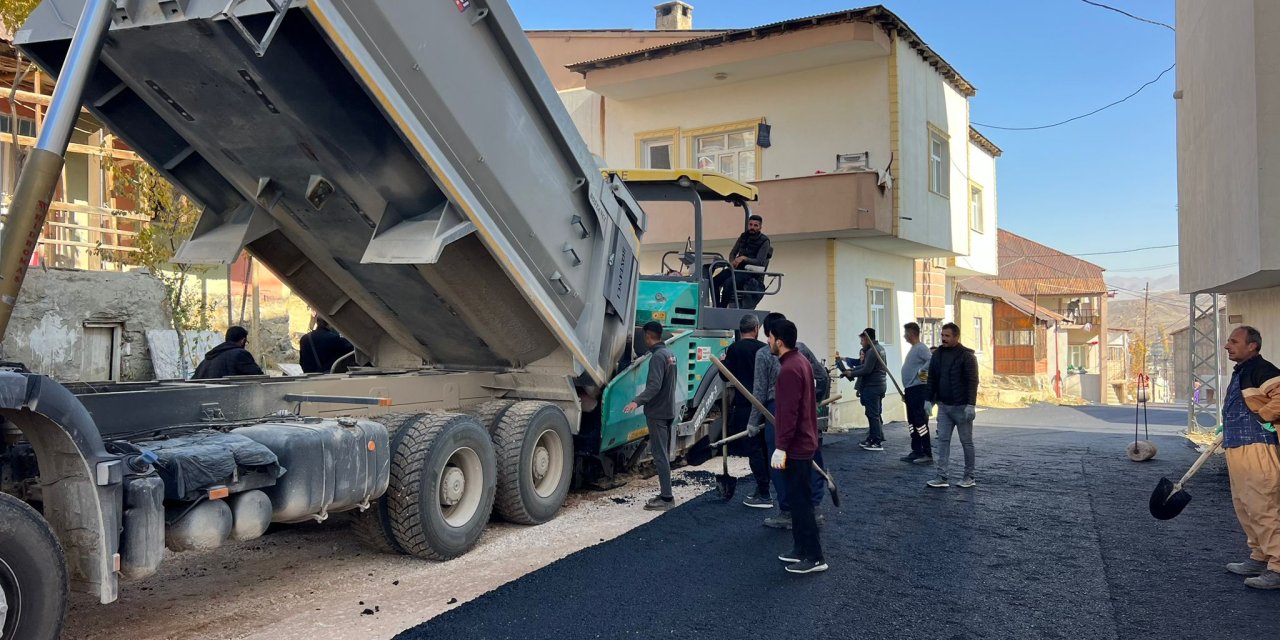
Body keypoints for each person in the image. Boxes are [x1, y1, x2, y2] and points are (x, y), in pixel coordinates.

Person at [747, 312, 829, 529]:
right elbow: (822, 375)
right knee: (810, 455)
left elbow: (759, 391)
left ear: (773, 336)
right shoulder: (802, 350)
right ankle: (814, 507)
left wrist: (753, 422)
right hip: (805, 407)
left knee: (779, 461)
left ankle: (787, 511)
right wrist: (815, 400)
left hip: (776, 411)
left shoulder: (764, 355)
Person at [1219, 325, 1280, 589]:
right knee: (1245, 505)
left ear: (1252, 346)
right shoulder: (1243, 371)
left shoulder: (1261, 369)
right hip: (1237, 446)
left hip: (1258, 446)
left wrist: (1263, 417)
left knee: (1263, 506)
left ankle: (1278, 567)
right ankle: (1259, 556)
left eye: (1234, 341)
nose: (1227, 346)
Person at [769, 319, 827, 574]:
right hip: (802, 442)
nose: (768, 341)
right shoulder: (800, 362)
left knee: (802, 503)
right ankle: (800, 548)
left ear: (779, 341)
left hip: (796, 446)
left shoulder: (789, 370)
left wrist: (781, 446)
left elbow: (789, 413)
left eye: (770, 337)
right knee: (797, 499)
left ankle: (815, 557)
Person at [624, 321, 678, 512]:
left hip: (657, 413)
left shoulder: (657, 357)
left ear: (648, 336)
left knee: (660, 455)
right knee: (663, 454)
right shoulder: (670, 354)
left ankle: (667, 498)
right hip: (668, 410)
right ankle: (665, 494)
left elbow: (654, 386)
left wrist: (636, 401)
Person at [723, 313, 771, 508]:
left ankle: (764, 492)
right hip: (765, 406)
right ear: (756, 328)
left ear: (740, 329)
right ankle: (766, 486)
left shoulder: (734, 349)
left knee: (753, 449)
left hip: (745, 406)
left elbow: (725, 376)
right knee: (766, 446)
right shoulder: (765, 349)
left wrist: (723, 362)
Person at [926, 323, 979, 489]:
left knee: (966, 442)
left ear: (956, 337)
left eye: (947, 336)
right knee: (942, 441)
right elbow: (932, 378)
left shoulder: (967, 356)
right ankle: (941, 476)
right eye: (942, 335)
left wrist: (971, 405)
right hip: (943, 406)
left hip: (962, 407)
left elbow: (972, 382)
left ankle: (969, 476)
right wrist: (929, 400)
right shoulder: (938, 354)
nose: (943, 339)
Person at [841, 328, 888, 451]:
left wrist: (851, 373)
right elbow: (865, 366)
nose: (861, 343)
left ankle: (876, 441)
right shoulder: (880, 349)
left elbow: (867, 370)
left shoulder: (872, 351)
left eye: (862, 340)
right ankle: (872, 437)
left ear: (867, 339)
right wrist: (852, 370)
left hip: (873, 386)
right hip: (879, 385)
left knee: (873, 415)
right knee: (873, 413)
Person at [711, 214, 771, 308]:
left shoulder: (765, 241)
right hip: (737, 268)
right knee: (714, 280)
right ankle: (716, 305)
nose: (752, 227)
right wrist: (732, 262)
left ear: (760, 227)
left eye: (755, 225)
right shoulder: (743, 236)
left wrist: (744, 258)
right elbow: (733, 253)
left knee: (729, 282)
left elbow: (760, 261)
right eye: (750, 224)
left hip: (750, 272)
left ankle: (722, 307)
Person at [901, 322, 934, 463]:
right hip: (910, 390)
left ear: (911, 333)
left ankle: (926, 453)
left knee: (920, 421)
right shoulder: (914, 349)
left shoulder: (921, 348)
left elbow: (931, 361)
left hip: (918, 390)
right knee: (912, 421)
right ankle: (916, 450)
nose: (904, 336)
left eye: (906, 333)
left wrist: (921, 374)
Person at [192, 326, 264, 380]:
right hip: (230, 395)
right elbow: (260, 378)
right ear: (242, 341)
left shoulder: (207, 360)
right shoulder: (240, 355)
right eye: (246, 342)